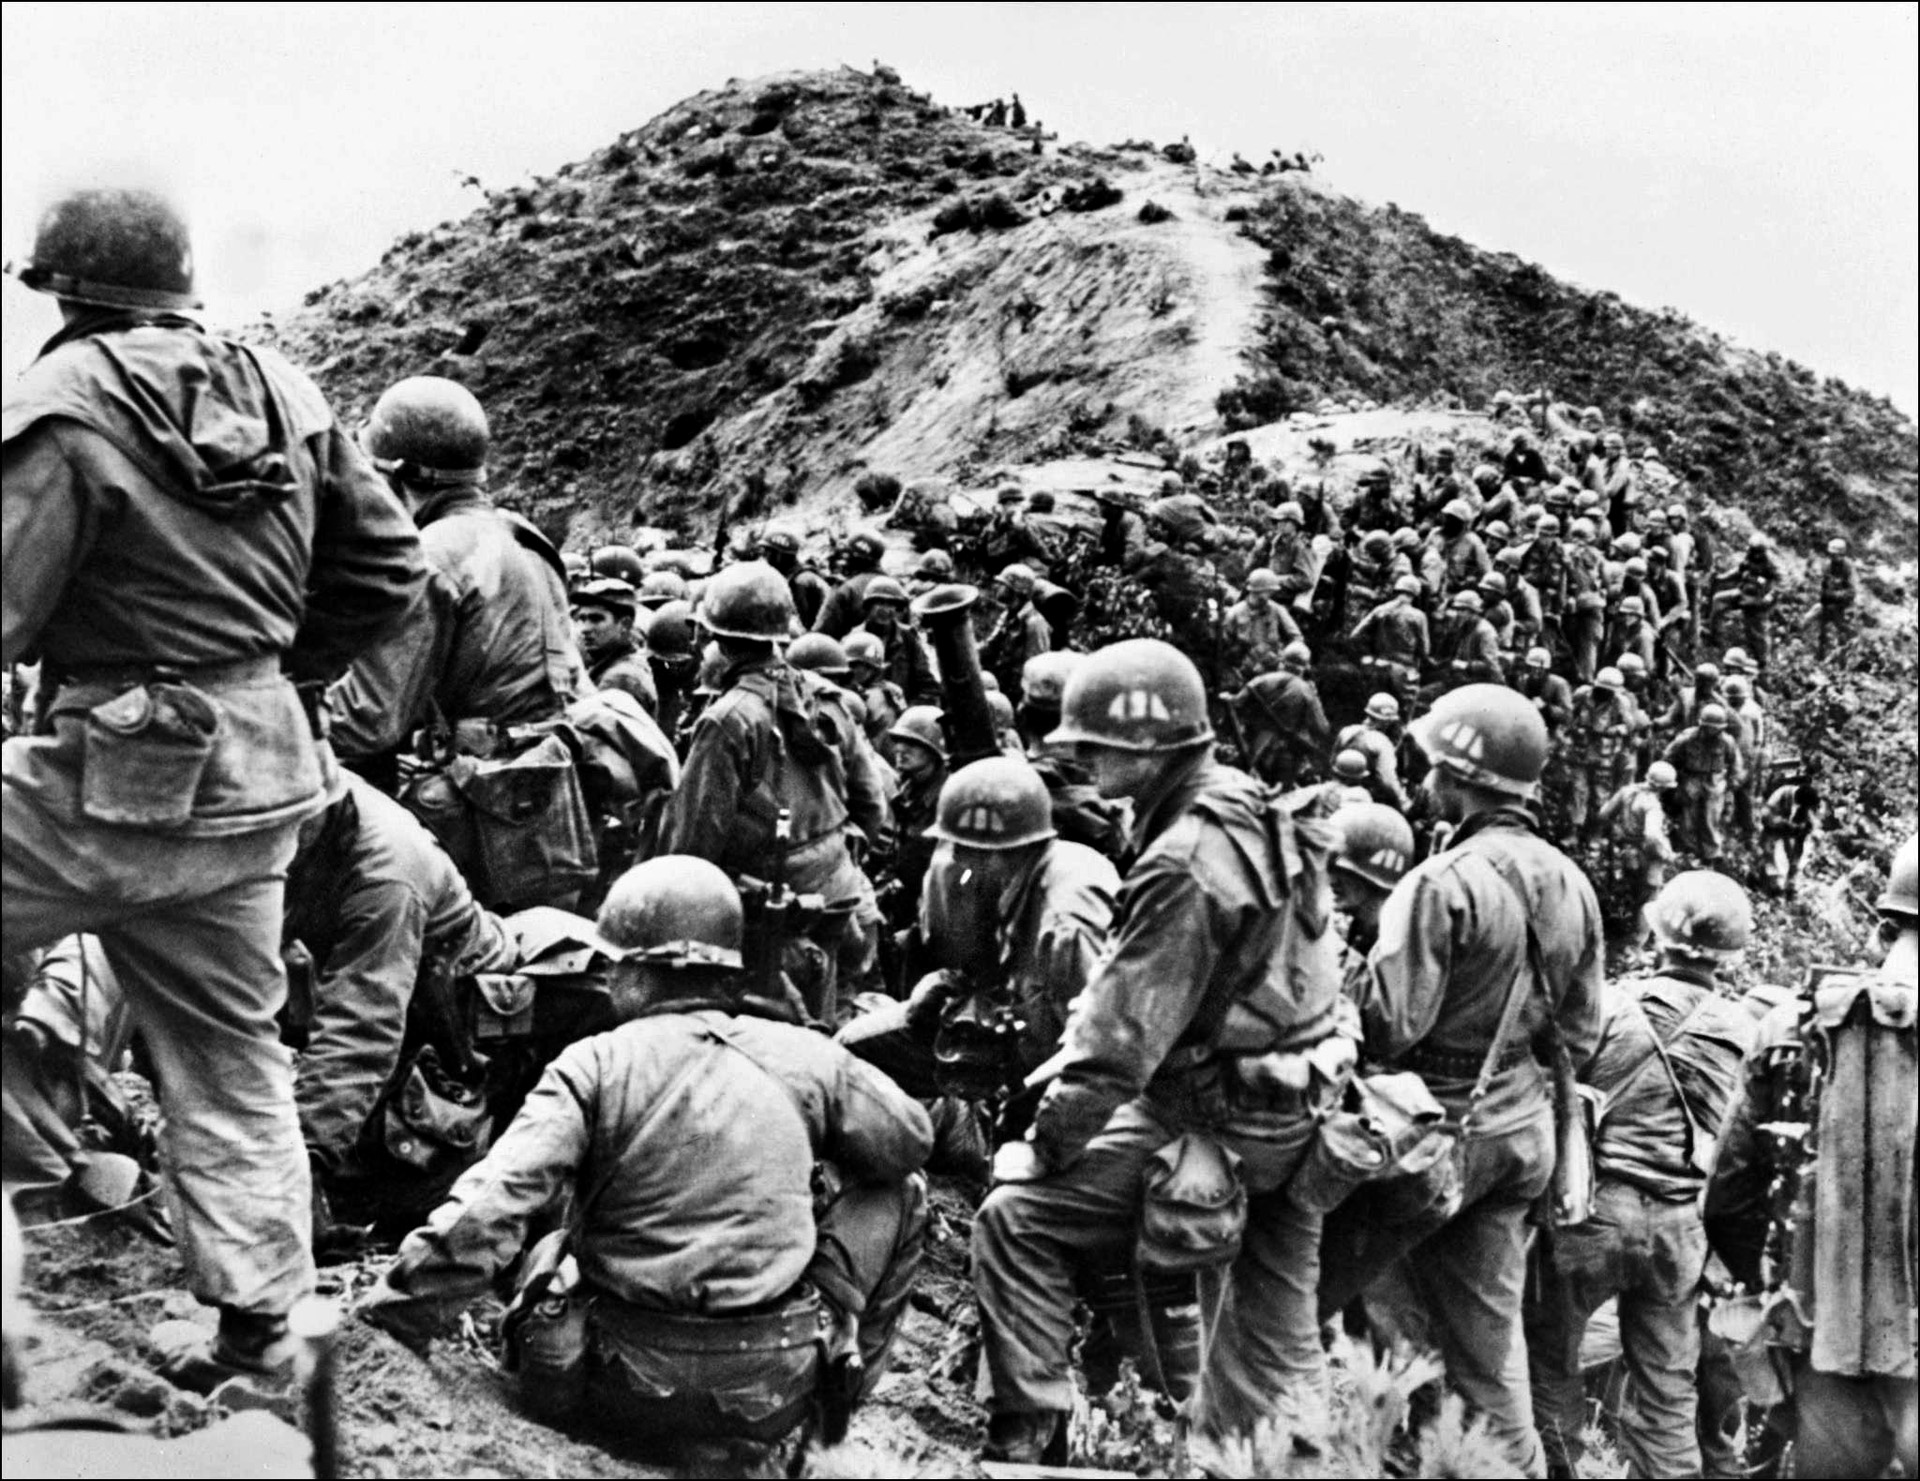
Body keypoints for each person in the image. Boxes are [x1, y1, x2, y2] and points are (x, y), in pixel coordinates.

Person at [1, 185, 427, 1390]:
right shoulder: (289, 393)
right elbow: (388, 573)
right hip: (255, 790)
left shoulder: (61, 405)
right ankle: (260, 1336)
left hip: (103, 782)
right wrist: (269, 675)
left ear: (65, 288)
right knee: (233, 1062)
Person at [359, 857, 933, 1473]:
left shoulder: (593, 1063)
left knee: (554, 1229)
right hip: (766, 1387)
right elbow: (910, 1142)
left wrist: (390, 1316)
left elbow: (490, 1206)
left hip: (607, 1386)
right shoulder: (803, 1056)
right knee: (900, 1192)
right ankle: (829, 1419)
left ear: (636, 971)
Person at [971, 640, 1349, 1461]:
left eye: (1094, 745)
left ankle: (1031, 1441)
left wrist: (1044, 1146)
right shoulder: (1242, 804)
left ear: (1147, 746)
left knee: (1018, 1218)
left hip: (1217, 1114)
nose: (1077, 757)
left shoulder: (1184, 860)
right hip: (1301, 1107)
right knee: (1280, 1346)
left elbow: (1117, 1049)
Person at [1321, 684, 1604, 1474]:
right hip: (1523, 1134)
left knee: (1327, 1302)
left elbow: (1389, 1023)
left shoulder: (1440, 880)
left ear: (1454, 773)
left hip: (1432, 1136)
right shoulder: (1572, 883)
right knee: (1488, 1350)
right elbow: (1581, 1030)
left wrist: (1338, 958)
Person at [1527, 872, 1759, 1479]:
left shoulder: (1607, 1005)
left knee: (1550, 1364)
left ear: (1657, 938)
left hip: (1593, 1215)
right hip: (1683, 1225)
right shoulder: (1747, 1031)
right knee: (1668, 1390)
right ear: (1731, 958)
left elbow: (1556, 1096)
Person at [1703, 832, 1919, 1481]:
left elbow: (1728, 1200)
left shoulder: (1793, 1025)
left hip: (1824, 1339)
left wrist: (1787, 1295)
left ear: (1885, 923)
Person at [282, 772, 521, 1241]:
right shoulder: (305, 788)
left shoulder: (385, 878)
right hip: (382, 978)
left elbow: (359, 1031)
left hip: (450, 1015)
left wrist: (301, 1160)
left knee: (389, 1196)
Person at [659, 562, 891, 1023]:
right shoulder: (829, 699)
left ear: (716, 640)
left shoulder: (728, 721)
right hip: (838, 901)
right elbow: (870, 805)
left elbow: (690, 850)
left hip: (767, 924)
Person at [838, 757, 1117, 1132]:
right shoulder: (1006, 876)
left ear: (997, 850)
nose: (953, 856)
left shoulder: (1066, 921)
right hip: (1006, 1035)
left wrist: (1030, 1111)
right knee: (851, 1050)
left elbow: (1104, 1049)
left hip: (1059, 1076)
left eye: (962, 846)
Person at [326, 376, 587, 774]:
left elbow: (367, 721)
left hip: (470, 801)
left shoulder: (432, 555)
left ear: (396, 477)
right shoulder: (526, 539)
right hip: (548, 785)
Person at [1597, 760, 1680, 944]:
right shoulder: (1652, 805)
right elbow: (1651, 835)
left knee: (1636, 894)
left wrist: (1618, 831)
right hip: (1646, 856)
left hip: (1627, 853)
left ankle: (1630, 937)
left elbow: (1603, 814)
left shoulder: (1627, 791)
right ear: (1663, 787)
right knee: (1649, 899)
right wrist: (1667, 854)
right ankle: (1638, 945)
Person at [1231, 641, 1330, 789]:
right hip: (1282, 759)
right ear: (1306, 666)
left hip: (1247, 749)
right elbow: (1322, 728)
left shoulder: (1260, 681)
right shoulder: (1307, 691)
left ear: (1282, 660)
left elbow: (1235, 705)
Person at [1664, 705, 1744, 862]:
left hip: (1715, 780)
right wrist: (1673, 778)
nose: (1713, 732)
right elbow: (1668, 756)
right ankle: (1689, 851)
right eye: (1710, 728)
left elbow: (1736, 763)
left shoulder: (1727, 741)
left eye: (1717, 728)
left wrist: (1733, 783)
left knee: (1711, 816)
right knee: (1688, 817)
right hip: (1691, 778)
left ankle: (1711, 853)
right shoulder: (1686, 738)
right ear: (1702, 725)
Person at [570, 576, 658, 714]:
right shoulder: (615, 666)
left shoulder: (620, 679)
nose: (585, 628)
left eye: (596, 619)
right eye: (582, 619)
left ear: (625, 625)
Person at [848, 576, 939, 704]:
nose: (886, 609)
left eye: (891, 604)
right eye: (879, 603)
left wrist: (909, 710)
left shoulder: (908, 637)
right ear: (869, 606)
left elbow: (927, 684)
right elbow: (846, 684)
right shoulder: (853, 639)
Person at [1351, 575, 1430, 710]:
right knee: (1403, 710)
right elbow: (1425, 650)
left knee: (1374, 706)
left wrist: (1367, 654)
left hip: (1378, 664)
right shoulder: (1418, 616)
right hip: (1403, 669)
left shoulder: (1381, 609)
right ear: (1415, 593)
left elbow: (1355, 635)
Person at [1220, 567, 1304, 689]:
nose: (1271, 595)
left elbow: (1297, 638)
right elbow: (1224, 644)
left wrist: (1285, 657)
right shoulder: (1235, 612)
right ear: (1256, 591)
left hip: (1274, 668)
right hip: (1244, 671)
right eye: (1268, 591)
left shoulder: (1277, 610)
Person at [812, 531, 888, 638]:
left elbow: (822, 634)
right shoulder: (895, 586)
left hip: (851, 650)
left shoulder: (846, 589)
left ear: (855, 557)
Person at [758, 523, 831, 630]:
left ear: (779, 555)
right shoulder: (802, 576)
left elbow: (802, 626)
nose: (764, 557)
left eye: (768, 552)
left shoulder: (800, 582)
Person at [1758, 777, 1820, 897]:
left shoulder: (1805, 806)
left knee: (1795, 857)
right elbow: (1765, 814)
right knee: (1768, 852)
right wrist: (1782, 822)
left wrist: (1795, 862)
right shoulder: (1782, 793)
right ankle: (1770, 882)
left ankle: (1790, 882)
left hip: (1792, 831)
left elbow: (1801, 839)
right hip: (1773, 828)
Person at [1816, 536, 1856, 659]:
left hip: (1842, 607)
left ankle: (1842, 659)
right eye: (1831, 554)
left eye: (1835, 555)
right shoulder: (1826, 566)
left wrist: (1834, 595)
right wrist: (1824, 594)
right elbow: (1819, 587)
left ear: (1842, 554)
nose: (1832, 557)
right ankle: (1819, 655)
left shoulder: (1848, 567)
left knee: (1842, 634)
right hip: (1827, 604)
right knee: (1811, 622)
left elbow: (1851, 592)